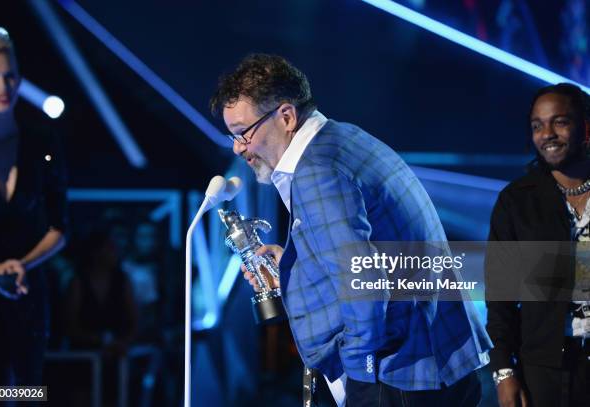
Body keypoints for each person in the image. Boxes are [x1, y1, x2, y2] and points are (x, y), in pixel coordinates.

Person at [210, 53, 491, 406]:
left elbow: (364, 280)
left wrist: (361, 376)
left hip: (401, 374)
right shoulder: (342, 139)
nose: (239, 148)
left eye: (243, 133)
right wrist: (294, 271)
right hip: (430, 362)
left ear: (285, 116)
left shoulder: (317, 171)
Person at [486, 83, 590, 407]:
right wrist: (504, 371)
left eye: (560, 122)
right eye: (537, 126)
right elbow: (500, 297)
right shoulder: (516, 202)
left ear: (586, 126)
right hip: (544, 372)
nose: (547, 134)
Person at [0, 28, 67, 386]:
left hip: (25, 289)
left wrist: (19, 266)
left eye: (9, 75)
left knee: (27, 389)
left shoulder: (42, 141)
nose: (3, 85)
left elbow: (60, 227)